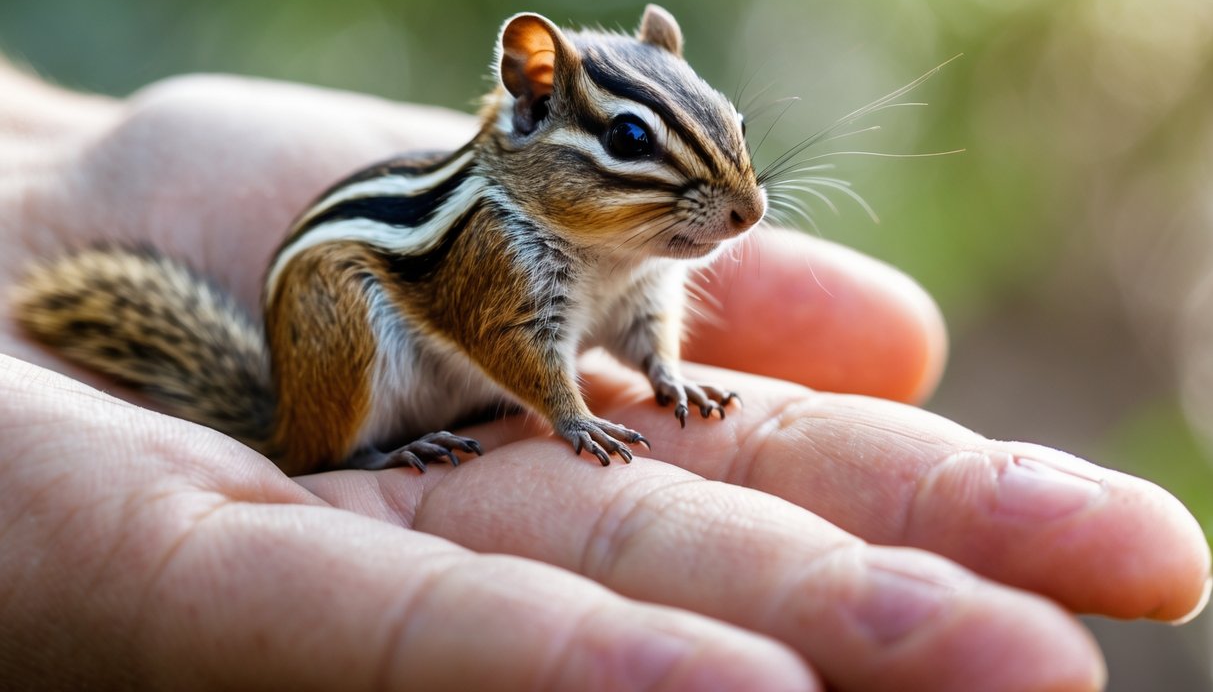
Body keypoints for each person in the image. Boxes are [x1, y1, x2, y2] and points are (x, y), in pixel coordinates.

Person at [0, 60, 1206, 691]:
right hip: (359, 331)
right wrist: (564, 411)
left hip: (463, 358)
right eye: (638, 151)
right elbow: (513, 334)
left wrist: (660, 372)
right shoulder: (499, 228)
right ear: (534, 108)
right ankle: (339, 439)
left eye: (729, 160)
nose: (734, 204)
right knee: (355, 304)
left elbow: (631, 309)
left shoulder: (627, 235)